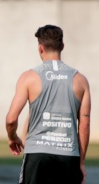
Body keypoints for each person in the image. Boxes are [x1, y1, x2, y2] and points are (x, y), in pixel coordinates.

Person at [5, 25, 91, 184]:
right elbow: (84, 125)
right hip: (69, 156)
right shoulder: (81, 80)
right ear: (62, 47)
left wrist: (12, 138)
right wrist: (81, 162)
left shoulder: (28, 77)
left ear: (40, 48)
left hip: (37, 155)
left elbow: (11, 119)